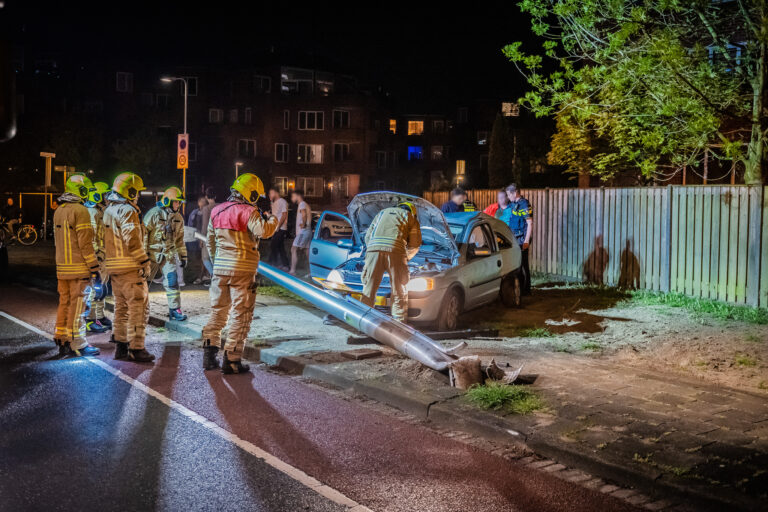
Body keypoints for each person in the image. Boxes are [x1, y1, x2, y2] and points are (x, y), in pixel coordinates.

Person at [201, 173, 278, 374]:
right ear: (250, 193)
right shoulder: (249, 211)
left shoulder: (216, 211)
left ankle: (209, 357)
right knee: (240, 314)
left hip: (220, 269)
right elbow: (264, 231)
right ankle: (232, 361)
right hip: (243, 269)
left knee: (218, 312)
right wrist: (273, 219)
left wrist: (218, 261)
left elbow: (210, 241)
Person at [103, 172, 155, 363]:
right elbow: (132, 239)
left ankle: (121, 346)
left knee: (121, 309)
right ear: (130, 191)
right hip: (130, 268)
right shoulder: (128, 211)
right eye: (137, 192)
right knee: (138, 309)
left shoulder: (109, 210)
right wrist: (144, 261)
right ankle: (137, 348)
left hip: (114, 269)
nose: (138, 195)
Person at [53, 174, 102, 357]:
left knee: (64, 303)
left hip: (62, 268)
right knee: (78, 306)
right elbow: (85, 245)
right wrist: (94, 267)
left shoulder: (59, 210)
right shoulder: (81, 211)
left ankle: (62, 339)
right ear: (79, 190)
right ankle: (78, 344)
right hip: (79, 269)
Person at [361, 202, 421, 323]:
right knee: (399, 287)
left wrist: (373, 250)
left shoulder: (381, 213)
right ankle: (399, 321)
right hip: (396, 251)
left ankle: (364, 319)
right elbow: (415, 244)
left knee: (369, 287)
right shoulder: (410, 217)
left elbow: (368, 236)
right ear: (412, 211)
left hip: (373, 250)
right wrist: (405, 258)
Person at [143, 186, 188, 321]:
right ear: (168, 201)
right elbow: (144, 234)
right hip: (151, 256)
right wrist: (142, 255)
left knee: (173, 282)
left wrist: (183, 255)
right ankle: (139, 308)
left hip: (167, 255)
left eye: (179, 202)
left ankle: (174, 310)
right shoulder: (154, 214)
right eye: (176, 202)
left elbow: (179, 239)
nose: (178, 204)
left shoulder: (178, 218)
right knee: (143, 283)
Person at [84, 181, 112, 333]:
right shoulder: (92, 212)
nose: (107, 197)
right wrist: (96, 256)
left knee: (103, 288)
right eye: (104, 194)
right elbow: (92, 237)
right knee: (95, 289)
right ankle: (89, 319)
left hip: (103, 255)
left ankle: (99, 316)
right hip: (97, 256)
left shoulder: (99, 211)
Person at [506, 183, 532, 296]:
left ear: (514, 193)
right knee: (517, 265)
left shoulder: (524, 204)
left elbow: (530, 223)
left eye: (509, 194)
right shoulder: (513, 204)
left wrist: (526, 241)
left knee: (523, 265)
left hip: (522, 239)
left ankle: (526, 290)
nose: (508, 197)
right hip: (515, 238)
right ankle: (520, 289)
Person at [289, 189, 312, 275]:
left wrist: (303, 223)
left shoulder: (302, 204)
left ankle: (292, 270)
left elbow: (304, 214)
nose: (292, 198)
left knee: (293, 249)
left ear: (297, 196)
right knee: (307, 252)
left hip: (303, 231)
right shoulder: (305, 204)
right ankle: (311, 271)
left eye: (293, 196)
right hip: (308, 231)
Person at [267, 186, 289, 270]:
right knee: (280, 247)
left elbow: (284, 215)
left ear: (276, 192)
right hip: (275, 228)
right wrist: (268, 215)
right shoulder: (273, 203)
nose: (269, 194)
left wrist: (278, 227)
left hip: (281, 228)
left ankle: (272, 265)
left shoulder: (283, 201)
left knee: (273, 245)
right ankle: (285, 265)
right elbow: (274, 216)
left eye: (271, 193)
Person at [199, 187, 217, 282]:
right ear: (215, 196)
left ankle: (214, 276)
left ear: (206, 197)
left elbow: (205, 225)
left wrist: (201, 239)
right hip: (219, 235)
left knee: (205, 257)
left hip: (208, 236)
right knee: (216, 258)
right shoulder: (220, 206)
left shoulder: (206, 208)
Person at [188, 196, 207, 284]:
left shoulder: (207, 211)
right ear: (198, 203)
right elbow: (190, 225)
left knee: (204, 257)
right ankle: (197, 276)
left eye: (204, 201)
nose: (203, 203)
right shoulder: (195, 213)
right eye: (201, 201)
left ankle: (201, 276)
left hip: (204, 237)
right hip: (195, 237)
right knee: (195, 257)